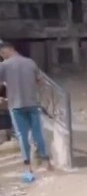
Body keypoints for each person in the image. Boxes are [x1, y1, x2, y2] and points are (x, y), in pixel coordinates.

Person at [0, 39, 51, 171]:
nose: (2, 56)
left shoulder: (4, 65)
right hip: (32, 103)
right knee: (38, 133)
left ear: (7, 50)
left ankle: (28, 166)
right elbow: (41, 81)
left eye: (2, 53)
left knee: (22, 135)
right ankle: (46, 162)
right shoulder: (30, 62)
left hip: (15, 105)